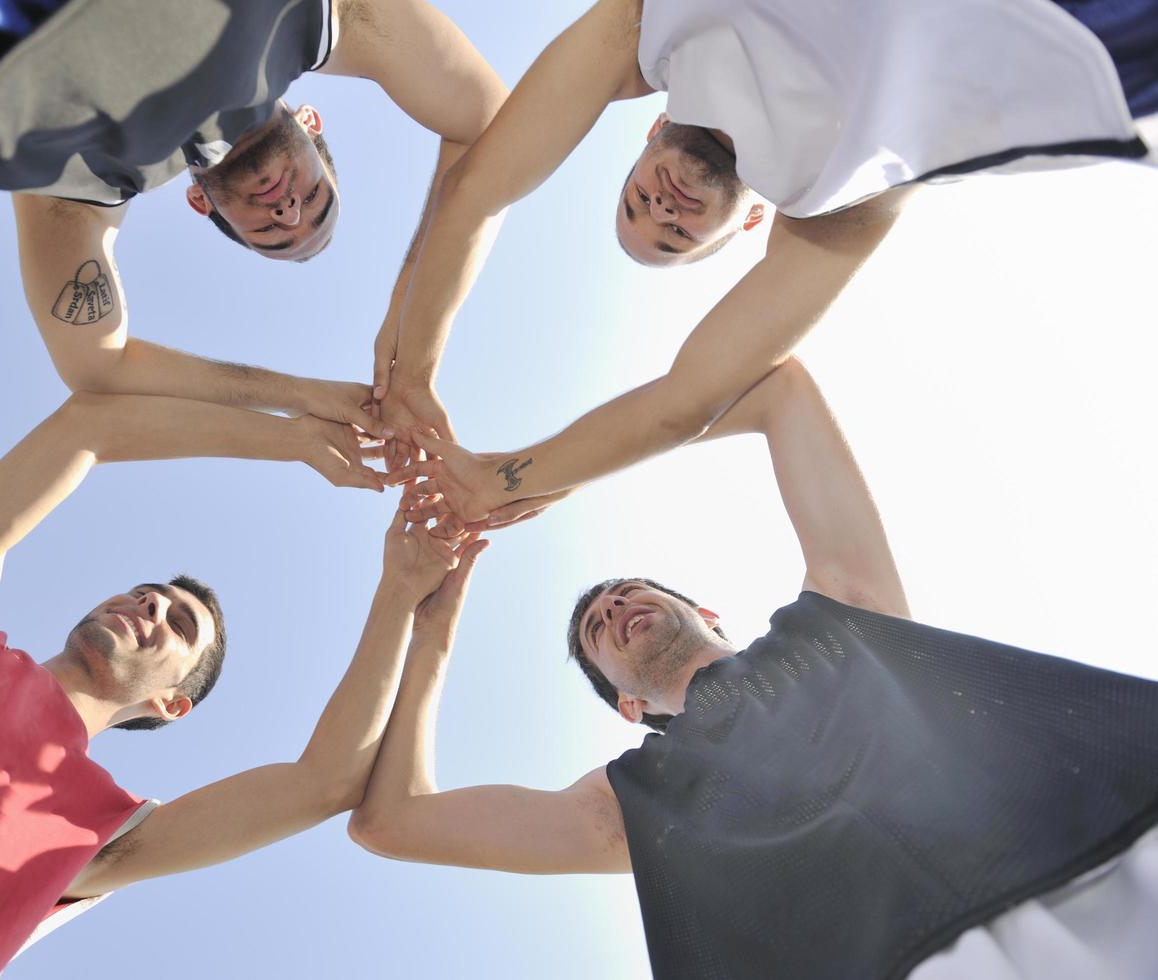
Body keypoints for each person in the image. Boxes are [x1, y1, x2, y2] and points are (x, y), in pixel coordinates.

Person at [351, 358, 1158, 978]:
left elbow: (781, 387)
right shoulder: (633, 802)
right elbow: (390, 821)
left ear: (706, 615)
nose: (614, 609)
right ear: (628, 707)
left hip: (1107, 851)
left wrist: (542, 473)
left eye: (629, 592)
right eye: (598, 631)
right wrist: (436, 615)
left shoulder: (843, 616)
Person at [0, 392, 478, 980]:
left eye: (181, 625)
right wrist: (294, 437)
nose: (153, 605)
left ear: (171, 703)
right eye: (147, 593)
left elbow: (326, 782)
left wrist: (400, 592)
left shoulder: (96, 834)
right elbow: (87, 428)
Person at [371, 0, 1158, 519]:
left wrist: (411, 370)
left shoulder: (646, 36)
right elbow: (685, 402)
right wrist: (509, 477)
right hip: (1065, 34)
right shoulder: (834, 200)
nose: (662, 206)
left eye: (635, 201)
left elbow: (478, 191)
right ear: (750, 228)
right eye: (675, 235)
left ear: (645, 138)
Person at [0, 0, 507, 430]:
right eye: (316, 200)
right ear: (316, 128)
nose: (289, 207)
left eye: (271, 232)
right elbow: (486, 122)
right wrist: (410, 343)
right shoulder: (320, 22)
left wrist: (308, 396)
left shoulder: (88, 182)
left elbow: (99, 365)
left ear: (200, 202)